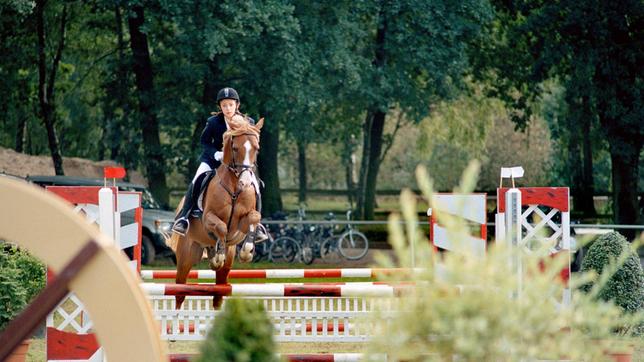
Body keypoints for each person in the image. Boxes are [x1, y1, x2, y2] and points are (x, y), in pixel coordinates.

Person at [172, 87, 264, 241]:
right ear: (220, 107)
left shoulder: (249, 122)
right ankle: (184, 217)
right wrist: (216, 154)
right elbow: (204, 142)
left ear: (237, 105)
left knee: (256, 184)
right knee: (197, 179)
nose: (228, 108)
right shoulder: (213, 122)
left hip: (239, 165)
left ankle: (258, 225)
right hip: (213, 160)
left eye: (230, 104)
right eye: (224, 105)